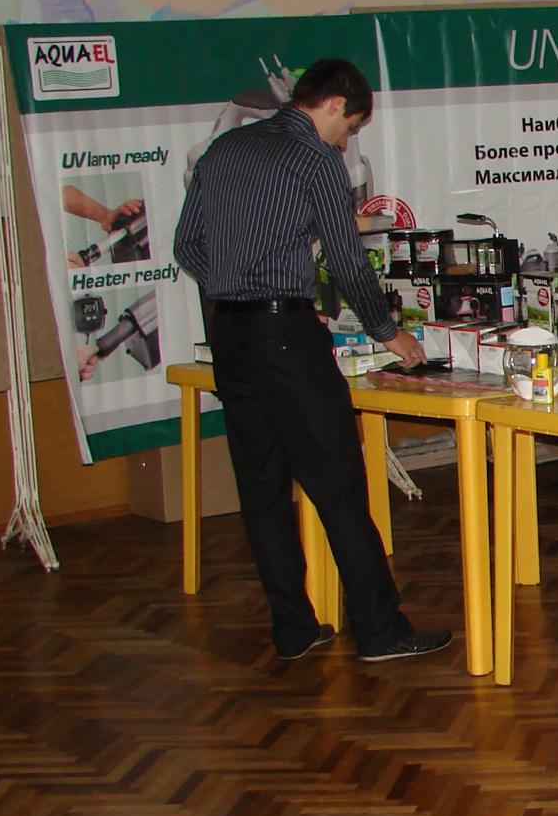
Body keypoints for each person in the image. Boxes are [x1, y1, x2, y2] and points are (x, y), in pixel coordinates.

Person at [173, 58, 450, 665]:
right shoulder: (315, 158)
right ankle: (379, 630)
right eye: (350, 127)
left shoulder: (223, 150)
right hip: (284, 334)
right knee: (339, 484)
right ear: (333, 104)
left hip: (229, 333)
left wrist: (236, 286)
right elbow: (348, 260)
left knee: (262, 488)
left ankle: (294, 628)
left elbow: (185, 245)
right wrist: (387, 332)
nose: (346, 141)